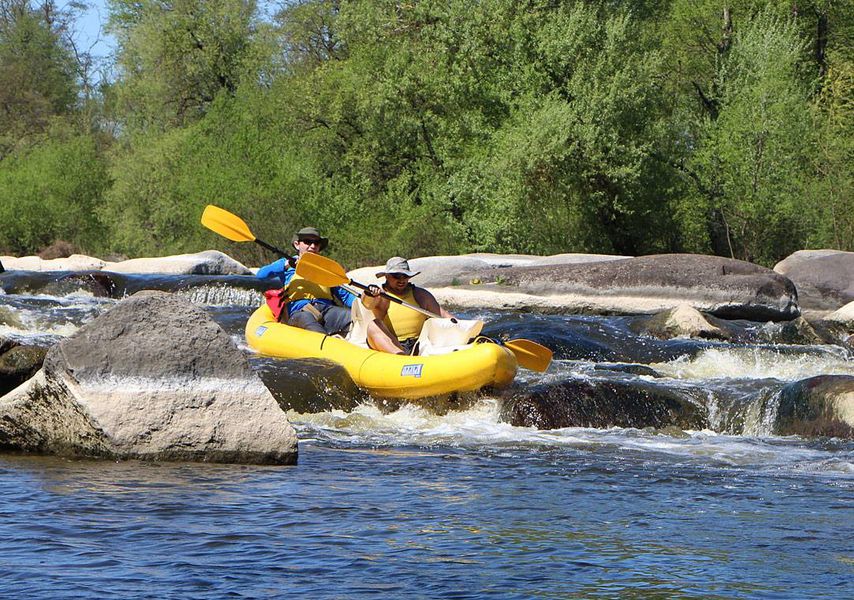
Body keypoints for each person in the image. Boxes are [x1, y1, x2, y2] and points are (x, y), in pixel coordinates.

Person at [257, 226, 379, 336]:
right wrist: (287, 264)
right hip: (300, 312)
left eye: (316, 243)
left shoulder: (326, 269)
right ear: (297, 244)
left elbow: (345, 296)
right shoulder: (287, 264)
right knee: (314, 329)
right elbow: (261, 275)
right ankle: (324, 347)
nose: (313, 246)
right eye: (308, 242)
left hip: (327, 310)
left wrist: (365, 303)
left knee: (356, 321)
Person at [362, 257, 455, 354]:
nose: (401, 280)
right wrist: (369, 293)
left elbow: (443, 315)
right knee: (373, 325)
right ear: (386, 276)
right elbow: (367, 303)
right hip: (392, 345)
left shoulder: (420, 294)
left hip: (418, 344)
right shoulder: (381, 296)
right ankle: (400, 357)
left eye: (405, 276)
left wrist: (466, 328)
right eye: (396, 276)